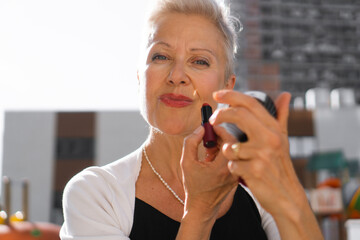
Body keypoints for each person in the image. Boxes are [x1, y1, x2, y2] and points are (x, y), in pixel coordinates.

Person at [60, 0, 323, 239]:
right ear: (140, 76)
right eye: (161, 56)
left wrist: (288, 188)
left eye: (199, 61)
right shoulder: (95, 194)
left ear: (226, 86)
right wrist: (200, 211)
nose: (177, 75)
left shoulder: (257, 189)